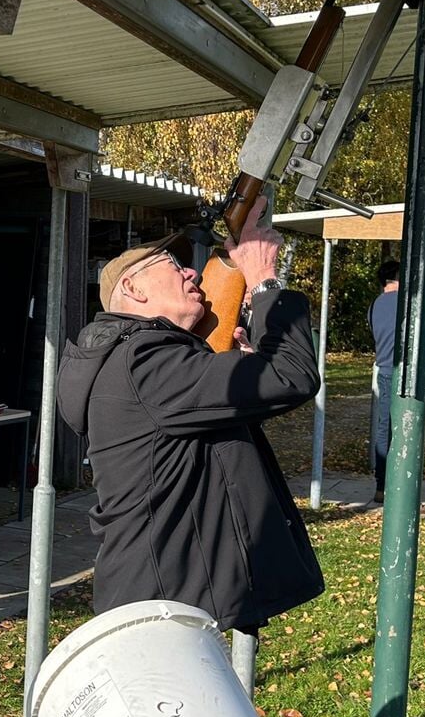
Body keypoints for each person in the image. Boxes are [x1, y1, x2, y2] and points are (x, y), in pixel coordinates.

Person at [55, 198, 324, 635]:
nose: (191, 272)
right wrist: (263, 279)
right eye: (172, 264)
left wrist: (243, 374)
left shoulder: (138, 362)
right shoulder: (144, 363)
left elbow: (217, 436)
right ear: (134, 290)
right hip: (163, 619)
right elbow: (290, 375)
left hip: (171, 603)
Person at [366, 260, 425, 501]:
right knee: (408, 427)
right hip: (406, 372)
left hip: (385, 370)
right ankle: (404, 491)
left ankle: (382, 485)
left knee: (384, 427)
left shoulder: (375, 305)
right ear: (399, 277)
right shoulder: (409, 299)